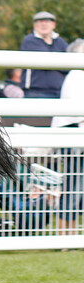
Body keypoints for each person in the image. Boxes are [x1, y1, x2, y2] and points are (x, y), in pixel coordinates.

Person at [51, 39, 84, 233]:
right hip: (73, 133)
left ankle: (69, 233)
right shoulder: (75, 75)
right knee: (73, 185)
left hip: (75, 133)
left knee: (76, 187)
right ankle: (64, 234)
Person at [21, 11, 68, 98]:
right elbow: (45, 60)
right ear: (34, 25)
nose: (43, 24)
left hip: (58, 91)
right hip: (35, 91)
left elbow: (68, 64)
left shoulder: (60, 41)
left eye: (47, 21)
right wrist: (60, 63)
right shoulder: (29, 40)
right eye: (40, 21)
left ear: (54, 24)